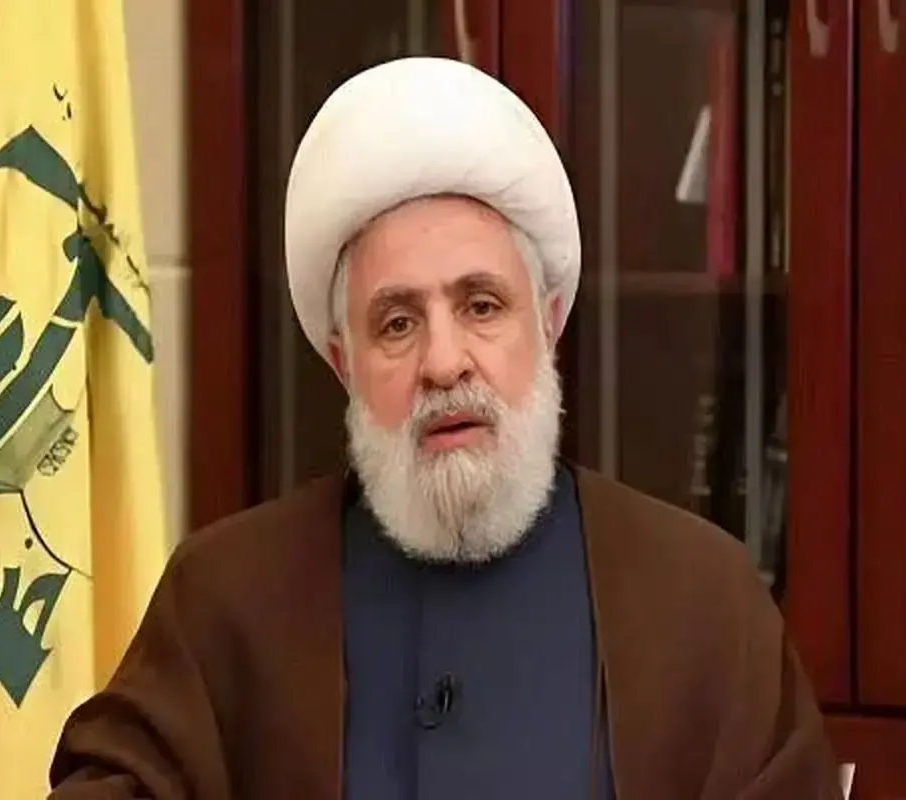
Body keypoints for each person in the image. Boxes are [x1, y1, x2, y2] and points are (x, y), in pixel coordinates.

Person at [47, 57, 843, 799]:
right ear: (344, 363)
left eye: (481, 306)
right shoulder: (225, 602)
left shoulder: (703, 601)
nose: (443, 362)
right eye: (397, 323)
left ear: (548, 323)